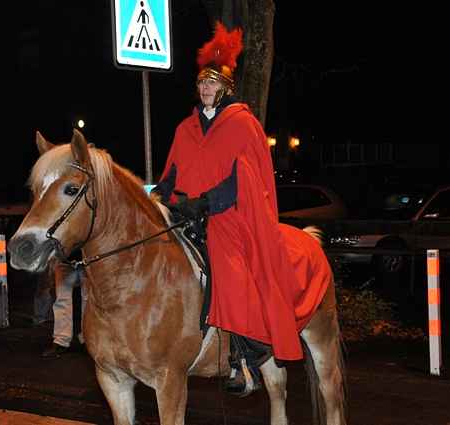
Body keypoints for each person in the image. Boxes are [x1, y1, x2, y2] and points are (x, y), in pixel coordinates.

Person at [152, 22, 329, 397]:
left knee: (228, 267)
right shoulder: (186, 128)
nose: (205, 89)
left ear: (226, 87)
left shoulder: (243, 124)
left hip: (229, 215)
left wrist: (206, 202)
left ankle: (243, 357)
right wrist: (160, 196)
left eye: (212, 84)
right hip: (187, 215)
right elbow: (171, 172)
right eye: (202, 83)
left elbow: (242, 180)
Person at [38, 259, 85, 358]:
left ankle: (88, 338)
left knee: (88, 299)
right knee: (62, 300)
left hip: (87, 257)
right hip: (65, 258)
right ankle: (61, 341)